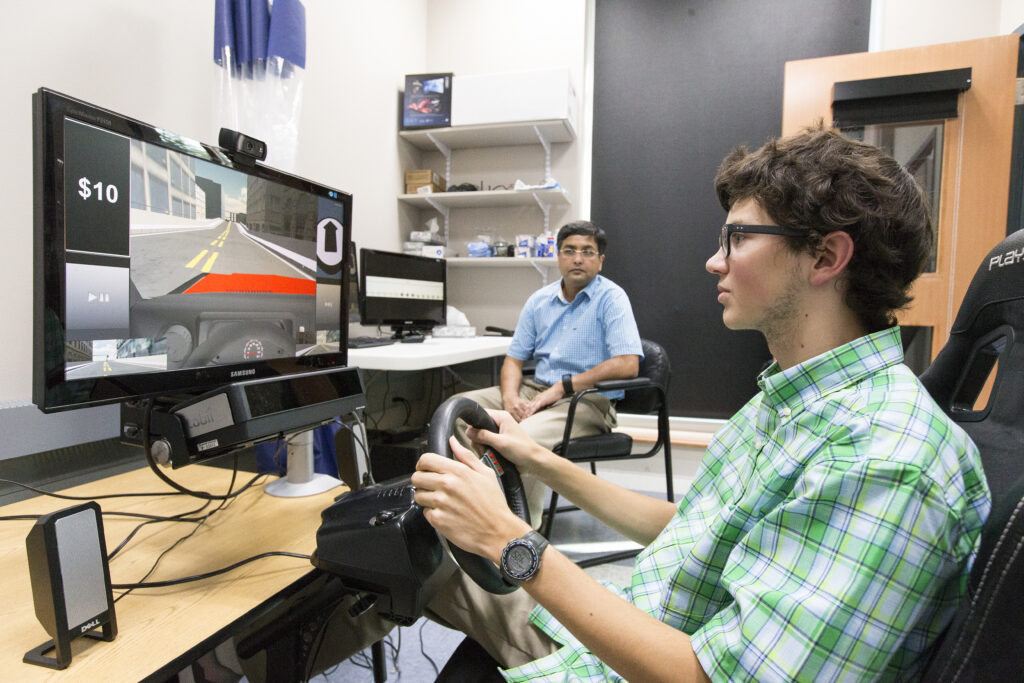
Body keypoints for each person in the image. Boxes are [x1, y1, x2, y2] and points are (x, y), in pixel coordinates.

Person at [301, 126, 990, 681]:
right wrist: (535, 454)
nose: (714, 261)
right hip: (640, 615)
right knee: (398, 540)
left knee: (416, 546)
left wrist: (513, 543)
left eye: (738, 238)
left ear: (825, 258)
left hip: (638, 657)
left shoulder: (884, 456)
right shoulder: (790, 398)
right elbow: (691, 524)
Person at [452, 220, 644, 527]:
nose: (577, 259)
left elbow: (627, 363)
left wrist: (562, 388)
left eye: (587, 251)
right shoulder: (539, 300)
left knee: (521, 440)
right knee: (459, 411)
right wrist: (511, 396)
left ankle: (521, 534)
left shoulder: (612, 298)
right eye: (569, 250)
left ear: (600, 260)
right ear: (558, 256)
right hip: (533, 391)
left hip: (586, 401)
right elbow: (513, 360)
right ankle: (475, 510)